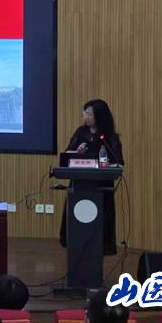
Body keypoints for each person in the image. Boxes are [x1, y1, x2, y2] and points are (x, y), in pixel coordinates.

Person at [60, 98, 124, 255]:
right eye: (85, 113)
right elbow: (67, 155)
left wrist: (105, 165)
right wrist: (77, 152)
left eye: (89, 114)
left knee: (99, 228)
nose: (85, 117)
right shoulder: (80, 132)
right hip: (79, 185)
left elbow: (119, 162)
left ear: (99, 116)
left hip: (101, 188)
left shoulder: (109, 136)